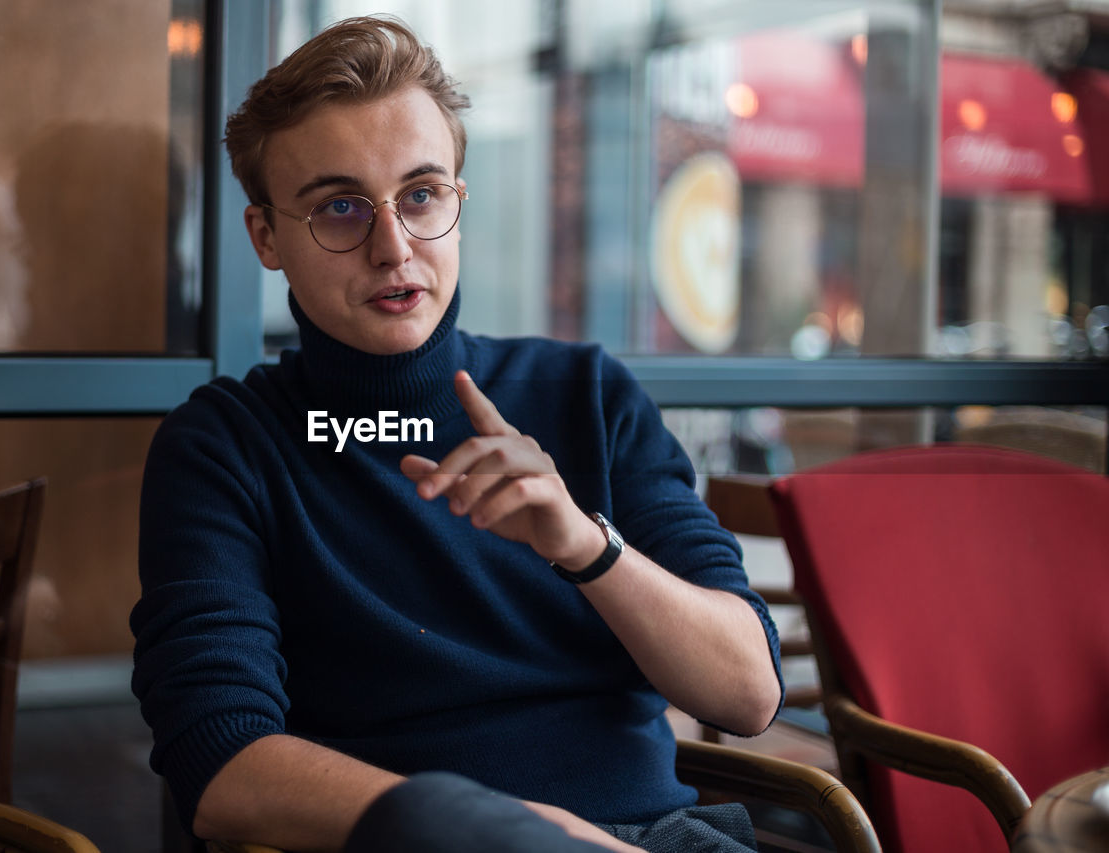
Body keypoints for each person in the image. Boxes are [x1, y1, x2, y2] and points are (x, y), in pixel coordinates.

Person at [131, 15, 783, 853]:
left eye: (422, 195)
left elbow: (748, 694)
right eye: (340, 207)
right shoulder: (224, 447)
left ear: (457, 202)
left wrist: (587, 546)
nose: (393, 246)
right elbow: (223, 770)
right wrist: (508, 829)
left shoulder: (586, 393)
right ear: (266, 237)